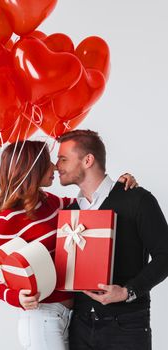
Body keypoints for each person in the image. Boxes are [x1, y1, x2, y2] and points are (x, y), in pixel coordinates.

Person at [0, 140, 136, 350]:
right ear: (32, 169)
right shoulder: (8, 220)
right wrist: (16, 297)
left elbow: (91, 204)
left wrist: (117, 186)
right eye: (48, 162)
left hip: (69, 317)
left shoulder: (51, 203)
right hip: (41, 317)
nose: (55, 166)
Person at [56, 129, 168, 350]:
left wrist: (127, 292)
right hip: (79, 326)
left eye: (63, 159)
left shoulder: (137, 199)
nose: (56, 166)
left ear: (88, 160)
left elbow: (165, 255)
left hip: (126, 326)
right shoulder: (69, 210)